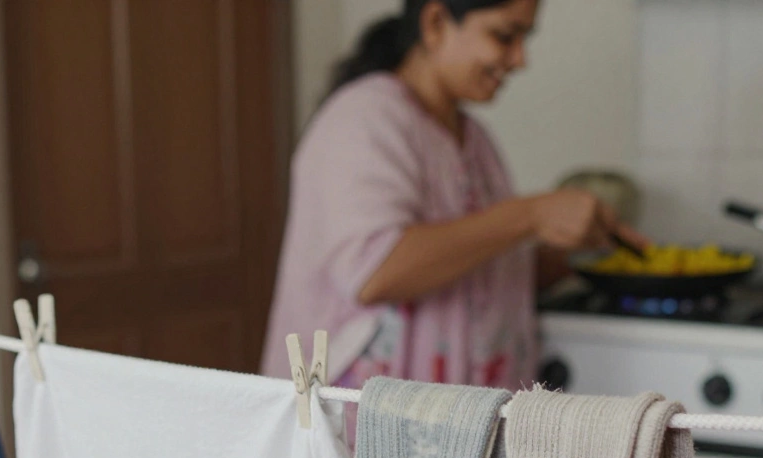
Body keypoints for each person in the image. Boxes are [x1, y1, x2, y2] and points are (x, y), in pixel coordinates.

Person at [262, 0, 649, 401]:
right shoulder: (362, 119)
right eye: (504, 36)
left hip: (459, 425)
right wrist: (531, 215)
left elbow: (476, 274)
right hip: (364, 425)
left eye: (524, 38)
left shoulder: (474, 140)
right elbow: (375, 272)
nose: (520, 59)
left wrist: (577, 256)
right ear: (435, 23)